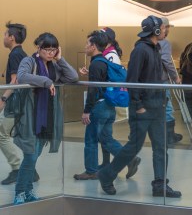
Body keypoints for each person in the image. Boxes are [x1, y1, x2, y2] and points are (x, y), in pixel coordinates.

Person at [98, 16, 181, 198]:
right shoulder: (141, 50)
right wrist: (138, 105)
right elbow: (132, 80)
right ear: (157, 31)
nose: (165, 30)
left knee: (160, 147)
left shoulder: (155, 48)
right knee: (134, 146)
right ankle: (107, 175)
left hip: (157, 106)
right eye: (163, 28)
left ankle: (160, 185)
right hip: (144, 108)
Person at [13, 32, 78, 205]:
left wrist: (61, 59)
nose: (50, 53)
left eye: (53, 49)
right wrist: (46, 82)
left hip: (47, 116)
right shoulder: (29, 61)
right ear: (38, 48)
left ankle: (27, 191)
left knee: (34, 155)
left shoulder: (54, 66)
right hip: (30, 115)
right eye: (46, 49)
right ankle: (20, 191)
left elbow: (73, 77)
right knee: (31, 156)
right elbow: (22, 76)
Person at [74, 31, 140, 181]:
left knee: (91, 139)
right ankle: (130, 159)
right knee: (106, 138)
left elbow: (93, 90)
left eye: (87, 43)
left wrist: (86, 111)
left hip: (99, 107)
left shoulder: (96, 64)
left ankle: (91, 171)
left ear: (94, 46)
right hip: (109, 106)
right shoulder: (104, 62)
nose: (85, 46)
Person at [0, 22, 27, 186]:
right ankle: (30, 169)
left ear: (12, 37)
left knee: (2, 135)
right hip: (20, 102)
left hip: (14, 102)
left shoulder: (15, 54)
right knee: (20, 135)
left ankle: (17, 168)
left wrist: (3, 99)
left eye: (5, 34)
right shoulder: (20, 53)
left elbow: (15, 80)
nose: (3, 37)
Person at [158, 18, 183, 146]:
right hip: (162, 80)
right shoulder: (165, 43)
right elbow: (167, 61)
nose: (168, 30)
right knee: (167, 107)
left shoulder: (143, 43)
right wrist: (176, 77)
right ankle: (169, 135)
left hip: (148, 82)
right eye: (167, 27)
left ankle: (159, 135)